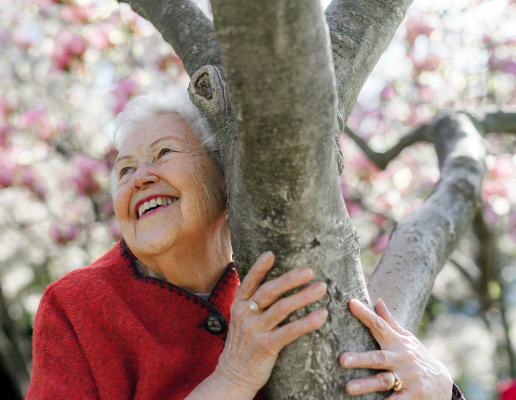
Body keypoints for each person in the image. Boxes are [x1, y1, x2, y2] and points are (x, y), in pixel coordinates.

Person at [27, 83, 464, 400]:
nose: (140, 178)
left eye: (163, 154)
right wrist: (232, 378)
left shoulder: (287, 281)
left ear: (226, 178)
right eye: (124, 170)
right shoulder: (78, 305)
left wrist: (441, 390)